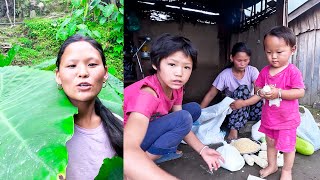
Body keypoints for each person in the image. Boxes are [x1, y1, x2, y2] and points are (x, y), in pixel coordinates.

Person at [124, 33, 224, 179]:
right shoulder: (148, 94)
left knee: (193, 110)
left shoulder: (177, 87)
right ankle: (144, 161)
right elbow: (128, 145)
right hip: (125, 137)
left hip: (150, 126)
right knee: (184, 117)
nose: (179, 73)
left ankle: (160, 149)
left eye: (187, 67)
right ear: (155, 64)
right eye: (172, 64)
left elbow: (183, 121)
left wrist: (203, 149)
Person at [55, 34, 123, 179]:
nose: (83, 73)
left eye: (92, 64)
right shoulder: (45, 134)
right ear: (58, 76)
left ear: (105, 73)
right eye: (72, 66)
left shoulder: (119, 125)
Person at [255, 26, 305, 179]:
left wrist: (279, 93)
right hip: (269, 119)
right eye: (269, 52)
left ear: (292, 49)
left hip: (287, 121)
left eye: (279, 52)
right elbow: (256, 87)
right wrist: (260, 92)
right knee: (270, 144)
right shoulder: (264, 71)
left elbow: (300, 92)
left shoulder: (292, 71)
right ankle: (272, 165)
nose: (274, 57)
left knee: (288, 147)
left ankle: (286, 171)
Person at [201, 42, 262, 141]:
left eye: (246, 60)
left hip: (248, 109)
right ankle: (233, 131)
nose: (243, 64)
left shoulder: (252, 71)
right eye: (239, 60)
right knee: (243, 89)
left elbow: (259, 93)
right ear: (231, 58)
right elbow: (211, 94)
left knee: (264, 96)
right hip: (232, 111)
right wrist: (200, 113)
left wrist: (244, 103)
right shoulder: (225, 75)